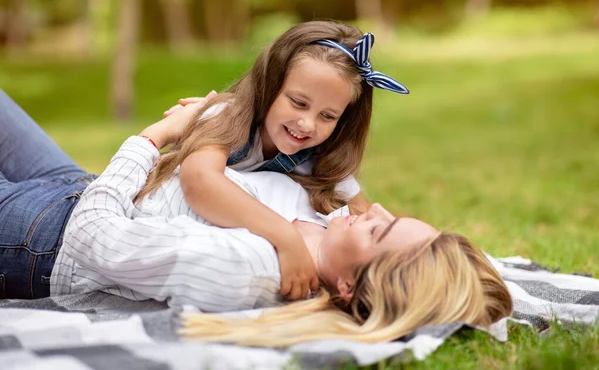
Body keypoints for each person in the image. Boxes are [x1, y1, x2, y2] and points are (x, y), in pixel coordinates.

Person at [0, 90, 513, 347]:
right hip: (80, 188)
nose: (372, 211)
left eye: (379, 229)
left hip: (41, 237)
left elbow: (94, 239)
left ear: (351, 287)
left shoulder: (248, 268)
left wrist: (155, 137)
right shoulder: (321, 229)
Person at [137, 21, 410, 301]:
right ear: (270, 85)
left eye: (327, 116)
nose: (306, 124)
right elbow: (200, 183)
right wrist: (287, 239)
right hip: (135, 216)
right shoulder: (225, 116)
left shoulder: (321, 156)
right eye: (298, 102)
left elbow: (371, 218)